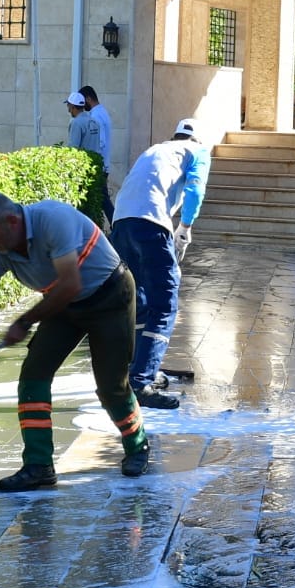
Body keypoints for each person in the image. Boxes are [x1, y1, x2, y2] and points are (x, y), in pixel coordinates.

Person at [0, 192, 151, 491]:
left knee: (111, 385)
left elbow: (70, 283)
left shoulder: (53, 220)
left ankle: (137, 447)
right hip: (64, 306)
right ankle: (39, 465)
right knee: (33, 377)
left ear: (13, 221)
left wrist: (25, 321)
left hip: (110, 296)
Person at [109, 118, 211, 410]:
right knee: (165, 304)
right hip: (152, 223)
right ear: (198, 140)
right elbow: (195, 191)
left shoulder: (157, 149)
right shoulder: (198, 152)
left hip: (121, 223)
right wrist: (185, 228)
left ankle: (137, 368)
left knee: (140, 303)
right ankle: (141, 381)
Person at [81, 85, 113, 220]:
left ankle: (117, 226)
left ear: (88, 98)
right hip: (104, 164)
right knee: (101, 199)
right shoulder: (102, 112)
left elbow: (100, 141)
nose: (83, 105)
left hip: (99, 165)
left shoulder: (96, 116)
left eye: (83, 101)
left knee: (102, 200)